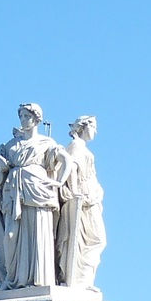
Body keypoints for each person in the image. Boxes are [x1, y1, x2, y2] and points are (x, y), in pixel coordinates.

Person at [0, 103, 65, 289]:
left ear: (36, 119)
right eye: (21, 116)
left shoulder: (47, 143)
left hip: (38, 190)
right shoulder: (12, 144)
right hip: (14, 193)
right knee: (12, 236)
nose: (23, 120)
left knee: (39, 233)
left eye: (26, 116)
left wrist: (59, 181)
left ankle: (40, 279)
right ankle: (15, 279)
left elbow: (65, 160)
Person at [57, 115, 106, 289]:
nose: (96, 131)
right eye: (94, 126)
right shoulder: (76, 146)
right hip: (83, 200)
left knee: (95, 240)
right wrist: (76, 191)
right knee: (94, 239)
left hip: (90, 199)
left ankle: (84, 279)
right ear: (83, 127)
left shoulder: (82, 147)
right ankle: (79, 279)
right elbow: (70, 167)